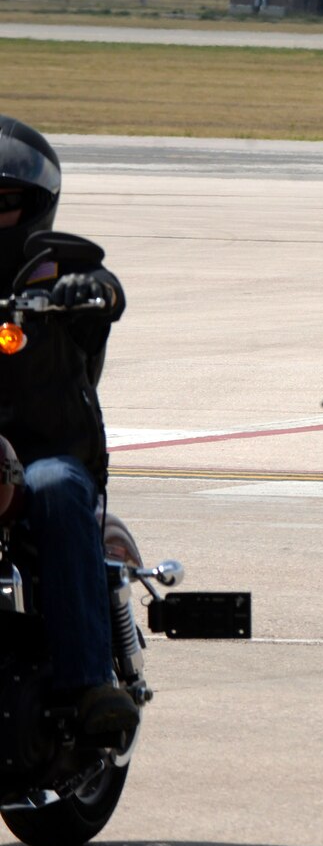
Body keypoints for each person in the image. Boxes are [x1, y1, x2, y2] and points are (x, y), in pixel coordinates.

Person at [0, 116, 135, 740]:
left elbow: (107, 289)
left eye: (3, 204)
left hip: (39, 455)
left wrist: (93, 292)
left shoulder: (50, 274)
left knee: (55, 489)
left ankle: (90, 686)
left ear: (34, 208)